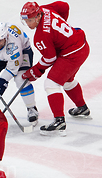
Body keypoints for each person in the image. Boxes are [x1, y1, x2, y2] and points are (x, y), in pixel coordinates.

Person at [20, 1, 91, 136]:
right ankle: (82, 108)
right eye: (25, 20)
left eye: (29, 20)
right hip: (82, 45)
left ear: (37, 17)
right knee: (67, 80)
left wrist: (35, 70)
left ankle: (59, 120)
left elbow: (50, 58)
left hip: (72, 54)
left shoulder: (41, 36)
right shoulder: (45, 9)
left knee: (51, 83)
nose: (28, 24)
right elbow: (64, 6)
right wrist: (59, 32)